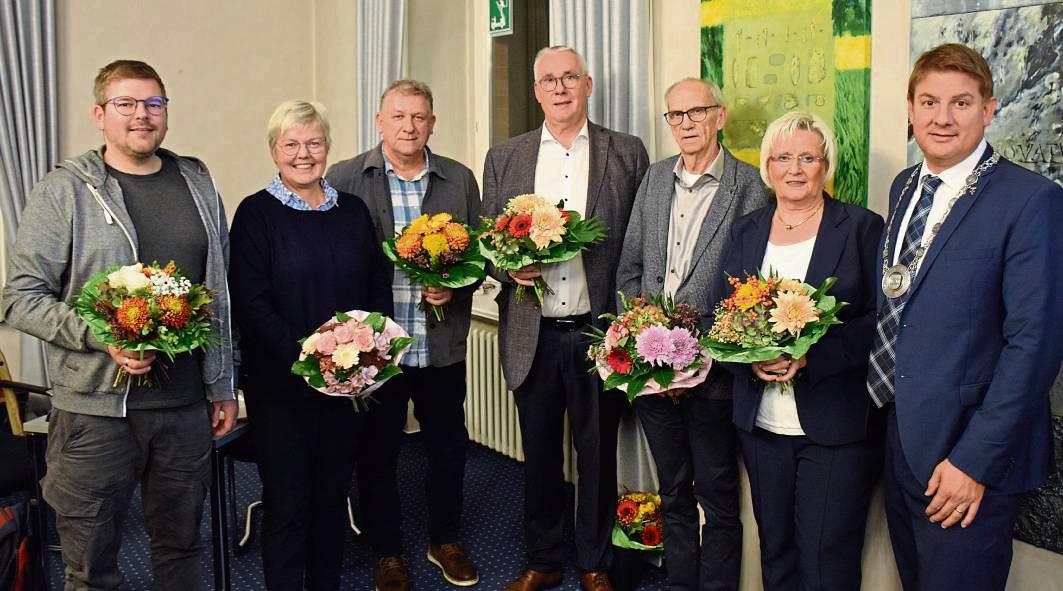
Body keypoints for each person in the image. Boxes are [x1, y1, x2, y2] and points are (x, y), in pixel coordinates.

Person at [1, 59, 237, 590]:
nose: (142, 115)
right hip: (94, 415)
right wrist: (101, 337)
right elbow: (19, 298)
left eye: (154, 103)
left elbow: (218, 296)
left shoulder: (196, 181)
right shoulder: (65, 191)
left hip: (183, 410)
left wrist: (222, 383)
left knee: (180, 550)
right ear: (99, 114)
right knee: (91, 564)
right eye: (126, 104)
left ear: (166, 114)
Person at [867, 43, 1063, 590]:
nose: (942, 117)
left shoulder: (1031, 200)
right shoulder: (905, 186)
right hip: (900, 435)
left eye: (960, 102)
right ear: (910, 109)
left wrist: (974, 462)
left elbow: (1035, 346)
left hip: (965, 455)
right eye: (928, 102)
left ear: (989, 109)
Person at [481, 45, 649, 591]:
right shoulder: (506, 157)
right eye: (548, 79)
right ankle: (544, 561)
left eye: (569, 77)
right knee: (540, 458)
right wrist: (510, 272)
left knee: (597, 455)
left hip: (598, 334)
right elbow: (489, 242)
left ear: (588, 84)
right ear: (535, 91)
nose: (559, 88)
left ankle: (594, 562)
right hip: (532, 333)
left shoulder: (626, 153)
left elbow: (637, 242)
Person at [713, 111, 884, 590]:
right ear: (767, 165)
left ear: (825, 165)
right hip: (762, 424)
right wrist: (749, 357)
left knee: (826, 558)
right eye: (783, 157)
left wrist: (813, 356)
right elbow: (719, 317)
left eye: (808, 157)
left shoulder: (861, 228)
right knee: (777, 550)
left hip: (834, 423)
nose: (795, 168)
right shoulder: (746, 230)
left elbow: (882, 321)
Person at [228, 99, 392, 590]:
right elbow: (252, 303)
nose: (304, 154)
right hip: (283, 388)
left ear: (328, 148)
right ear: (274, 151)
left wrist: (368, 357)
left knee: (331, 497)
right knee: (288, 503)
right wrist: (311, 360)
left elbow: (375, 290)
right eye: (291, 144)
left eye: (314, 143)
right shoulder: (256, 214)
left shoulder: (354, 212)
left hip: (346, 388)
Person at [614, 77, 769, 590]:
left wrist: (698, 357)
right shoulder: (655, 179)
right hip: (651, 368)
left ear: (719, 117)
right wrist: (645, 338)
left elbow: (752, 287)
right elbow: (631, 265)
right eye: (675, 115)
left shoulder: (750, 186)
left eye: (696, 113)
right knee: (674, 493)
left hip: (713, 375)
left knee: (719, 499)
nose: (685, 124)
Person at [326, 79, 481, 591]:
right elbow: (333, 261)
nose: (409, 126)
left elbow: (478, 258)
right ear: (379, 121)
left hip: (441, 345)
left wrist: (456, 290)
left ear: (432, 123)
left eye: (419, 117)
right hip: (377, 350)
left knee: (447, 448)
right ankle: (387, 552)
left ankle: (445, 541)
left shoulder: (458, 179)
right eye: (398, 116)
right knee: (378, 454)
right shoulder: (345, 178)